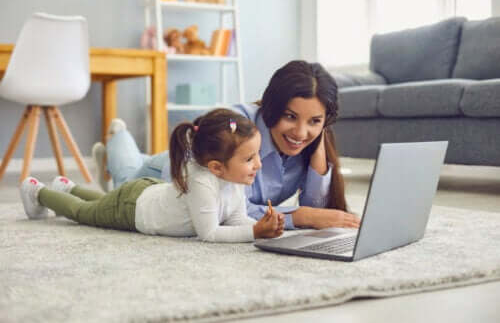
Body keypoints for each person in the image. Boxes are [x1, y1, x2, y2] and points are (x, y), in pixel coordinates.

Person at [93, 60, 361, 231]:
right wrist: (301, 216)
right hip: (168, 176)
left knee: (133, 165)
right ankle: (118, 136)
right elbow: (223, 209)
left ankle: (125, 149)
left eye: (315, 120)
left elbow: (318, 208)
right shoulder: (234, 126)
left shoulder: (309, 141)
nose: (300, 132)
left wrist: (318, 147)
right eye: (290, 116)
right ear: (272, 107)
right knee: (126, 177)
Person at [19, 109, 284, 243]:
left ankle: (68, 187)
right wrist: (254, 232)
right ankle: (37, 191)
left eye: (257, 155)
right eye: (250, 159)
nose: (258, 164)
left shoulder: (234, 179)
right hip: (133, 209)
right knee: (83, 213)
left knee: (100, 202)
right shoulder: (202, 181)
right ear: (216, 167)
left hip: (145, 192)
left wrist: (262, 226)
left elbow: (235, 218)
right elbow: (210, 233)